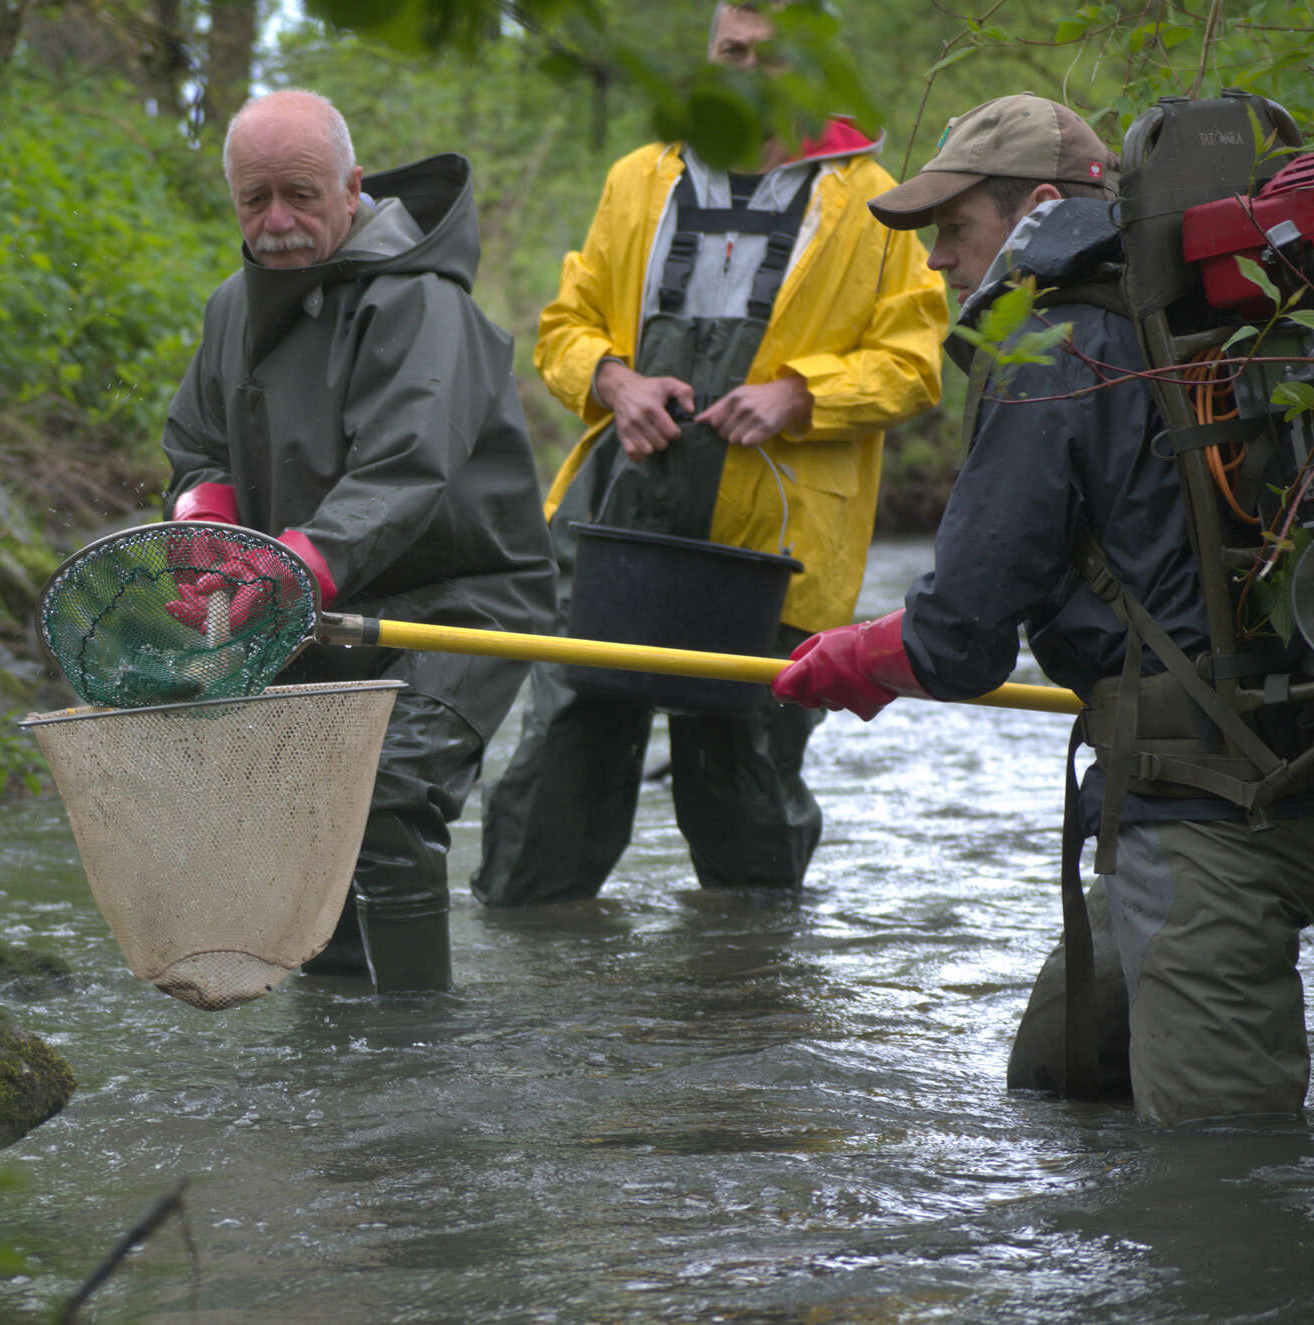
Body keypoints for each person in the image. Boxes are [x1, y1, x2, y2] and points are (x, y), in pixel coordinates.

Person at [771, 93, 1314, 1124]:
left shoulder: (1050, 348)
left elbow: (959, 636)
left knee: (1213, 1185)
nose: (934, 260)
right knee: (1055, 1077)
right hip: (1255, 757)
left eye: (951, 227)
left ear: (1036, 206)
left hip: (1200, 803)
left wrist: (866, 657)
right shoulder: (1233, 310)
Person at [471, 1, 946, 906]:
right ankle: (531, 988)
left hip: (775, 542)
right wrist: (615, 382)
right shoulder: (638, 178)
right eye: (732, 51)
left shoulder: (876, 201)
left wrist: (799, 395)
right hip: (617, 520)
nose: (745, 71)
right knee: (558, 763)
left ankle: (747, 1003)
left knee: (747, 787)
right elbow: (564, 328)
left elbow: (913, 366)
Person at [160, 89, 558, 994]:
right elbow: (194, 442)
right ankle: (340, 1052)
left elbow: (404, 470)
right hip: (306, 606)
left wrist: (288, 563)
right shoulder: (233, 308)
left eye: (299, 195)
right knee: (306, 820)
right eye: (253, 200)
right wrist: (211, 528)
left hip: (460, 604)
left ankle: (415, 1053)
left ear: (353, 188)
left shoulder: (420, 302)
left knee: (378, 802)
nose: (277, 223)